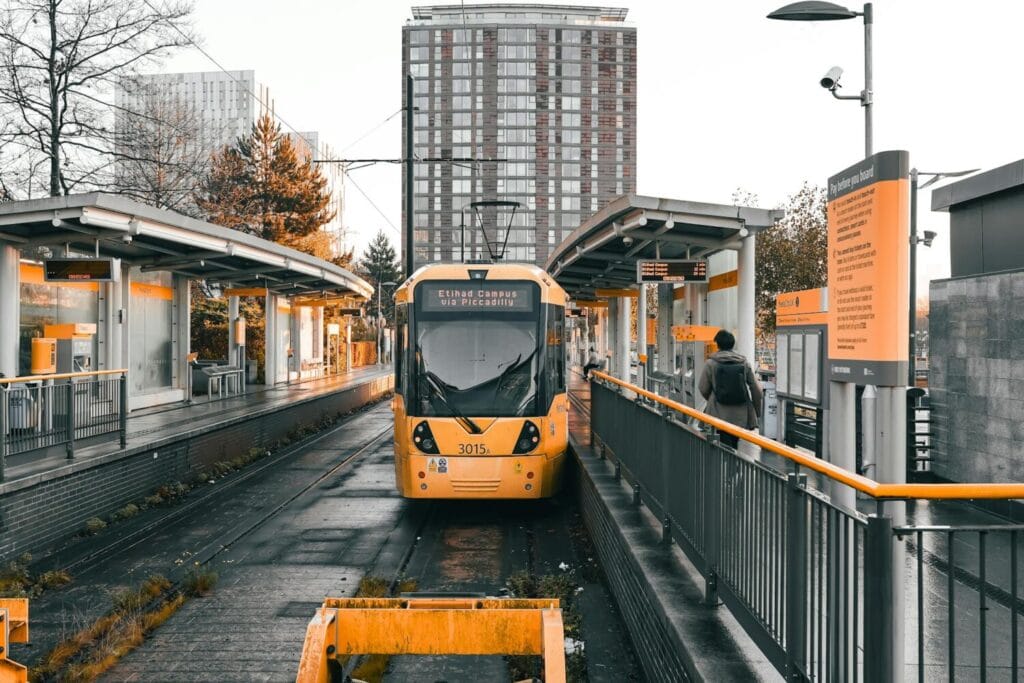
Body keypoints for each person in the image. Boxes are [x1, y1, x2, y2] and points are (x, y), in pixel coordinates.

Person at [698, 329, 762, 450]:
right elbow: (755, 388)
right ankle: (733, 465)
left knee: (722, 441)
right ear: (733, 344)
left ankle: (726, 465)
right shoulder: (744, 363)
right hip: (740, 412)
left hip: (717, 412)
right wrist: (756, 411)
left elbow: (703, 387)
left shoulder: (711, 363)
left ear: (718, 344)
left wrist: (712, 398)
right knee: (733, 441)